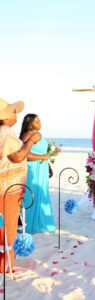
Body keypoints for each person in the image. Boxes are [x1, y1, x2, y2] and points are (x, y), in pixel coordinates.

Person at [0, 98, 41, 271]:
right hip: (8, 188)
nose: (16, 113)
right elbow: (16, 156)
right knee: (8, 227)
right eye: (14, 111)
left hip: (6, 187)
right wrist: (31, 140)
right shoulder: (6, 133)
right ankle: (5, 266)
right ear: (6, 115)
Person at [20, 114, 59, 234]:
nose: (40, 123)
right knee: (32, 195)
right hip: (33, 170)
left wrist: (53, 152)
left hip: (41, 169)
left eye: (40, 120)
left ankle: (36, 222)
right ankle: (29, 223)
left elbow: (44, 153)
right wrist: (44, 156)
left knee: (40, 193)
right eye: (36, 121)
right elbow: (24, 154)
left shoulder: (35, 134)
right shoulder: (30, 136)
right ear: (29, 123)